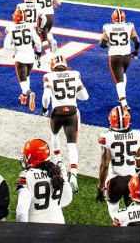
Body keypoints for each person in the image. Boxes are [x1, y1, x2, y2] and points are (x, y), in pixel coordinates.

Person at [43, 55, 88, 189]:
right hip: (72, 113)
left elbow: (46, 97)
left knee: (54, 135)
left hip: (57, 113)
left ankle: (59, 164)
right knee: (72, 144)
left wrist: (45, 109)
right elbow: (85, 97)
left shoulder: (49, 76)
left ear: (53, 66)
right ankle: (73, 173)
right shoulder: (75, 74)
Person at [97, 104, 140, 211]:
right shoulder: (137, 134)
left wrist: (100, 188)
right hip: (132, 180)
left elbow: (104, 166)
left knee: (114, 214)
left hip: (115, 182)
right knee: (133, 214)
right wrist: (137, 171)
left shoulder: (106, 137)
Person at [15, 139, 73, 223]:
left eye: (26, 157)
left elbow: (21, 213)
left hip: (36, 229)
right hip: (59, 226)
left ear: (35, 158)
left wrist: (22, 231)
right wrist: (52, 207)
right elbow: (68, 197)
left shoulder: (26, 176)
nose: (25, 159)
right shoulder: (58, 172)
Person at [3, 7, 43, 109]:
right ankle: (24, 96)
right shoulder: (30, 26)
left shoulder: (11, 28)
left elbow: (6, 46)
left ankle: (29, 93)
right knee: (27, 77)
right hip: (30, 56)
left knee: (22, 79)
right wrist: (38, 53)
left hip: (20, 56)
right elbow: (38, 41)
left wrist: (15, 49)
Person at [100, 9, 140, 106]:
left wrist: (110, 45)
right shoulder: (129, 26)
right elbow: (137, 41)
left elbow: (102, 44)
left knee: (119, 81)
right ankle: (121, 96)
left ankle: (124, 103)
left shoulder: (108, 27)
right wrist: (135, 52)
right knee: (123, 74)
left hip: (115, 57)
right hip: (127, 56)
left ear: (113, 18)